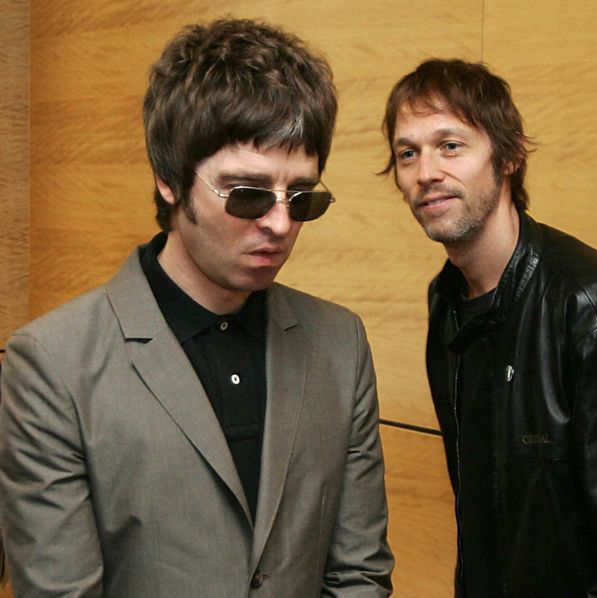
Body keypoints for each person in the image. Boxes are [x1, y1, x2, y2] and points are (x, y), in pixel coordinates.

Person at [0, 19, 393, 596]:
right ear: (169, 179)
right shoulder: (54, 366)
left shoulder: (339, 343)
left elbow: (358, 573)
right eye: (248, 194)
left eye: (302, 197)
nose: (280, 224)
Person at [381, 59, 597, 596]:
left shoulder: (594, 312)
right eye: (407, 153)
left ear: (508, 156)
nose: (425, 173)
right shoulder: (447, 300)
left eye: (451, 146)